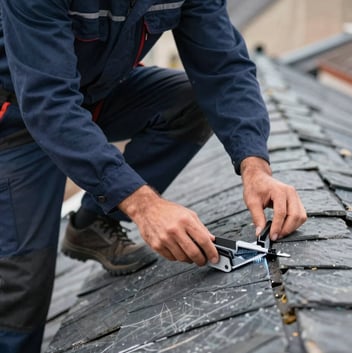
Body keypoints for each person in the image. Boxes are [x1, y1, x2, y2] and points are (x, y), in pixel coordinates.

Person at [0, 1, 307, 352]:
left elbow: (222, 67)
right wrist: (144, 205)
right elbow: (48, 104)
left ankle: (93, 225)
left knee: (190, 102)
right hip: (19, 115)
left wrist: (256, 166)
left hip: (98, 93)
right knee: (21, 286)